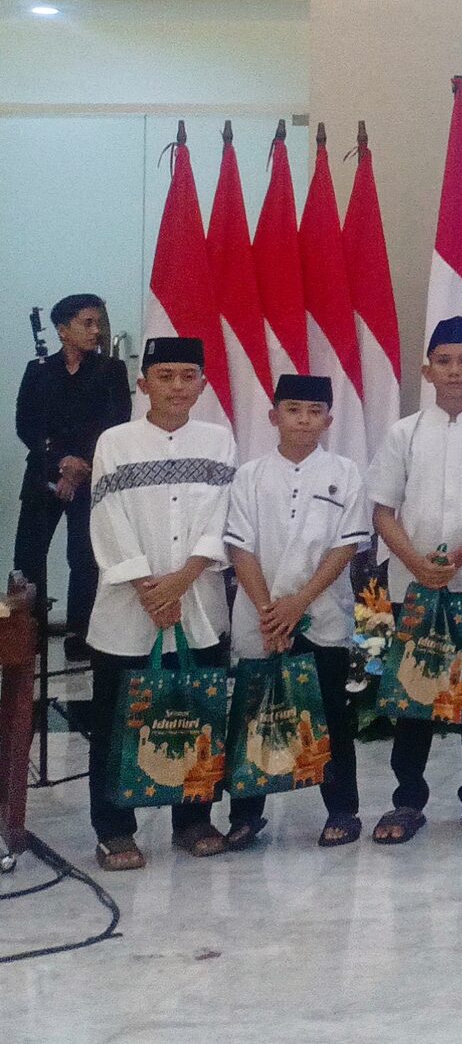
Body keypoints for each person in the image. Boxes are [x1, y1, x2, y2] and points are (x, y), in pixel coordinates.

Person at [83, 337, 235, 871]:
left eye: (188, 376)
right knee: (115, 721)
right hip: (130, 609)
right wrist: (150, 588)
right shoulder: (116, 442)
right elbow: (108, 519)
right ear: (143, 383)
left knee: (197, 712)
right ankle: (114, 830)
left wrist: (183, 580)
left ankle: (193, 820)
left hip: (198, 604)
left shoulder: (218, 441)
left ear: (203, 384)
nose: (176, 386)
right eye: (165, 376)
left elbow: (222, 516)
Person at [371, 316, 462, 844]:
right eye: (444, 361)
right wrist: (417, 563)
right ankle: (407, 800)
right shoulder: (404, 433)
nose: (455, 371)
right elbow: (383, 511)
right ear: (427, 369)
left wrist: (456, 558)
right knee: (414, 691)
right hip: (414, 585)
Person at [220, 374, 368, 850]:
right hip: (260, 617)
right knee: (254, 713)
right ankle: (246, 815)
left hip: (321, 613)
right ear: (274, 416)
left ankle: (342, 810)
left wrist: (298, 604)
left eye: (314, 412)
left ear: (329, 419)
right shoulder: (249, 475)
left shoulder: (345, 472)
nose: (303, 420)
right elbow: (239, 547)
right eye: (293, 410)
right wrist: (270, 612)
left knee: (329, 714)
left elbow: (346, 546)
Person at [15, 293, 126, 650]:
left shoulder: (111, 371)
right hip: (43, 476)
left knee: (84, 557)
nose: (96, 331)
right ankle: (27, 633)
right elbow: (27, 424)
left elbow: (116, 423)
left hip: (91, 478)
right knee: (28, 557)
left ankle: (80, 634)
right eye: (87, 323)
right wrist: (61, 462)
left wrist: (81, 466)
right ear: (63, 330)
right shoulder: (39, 370)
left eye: (98, 323)